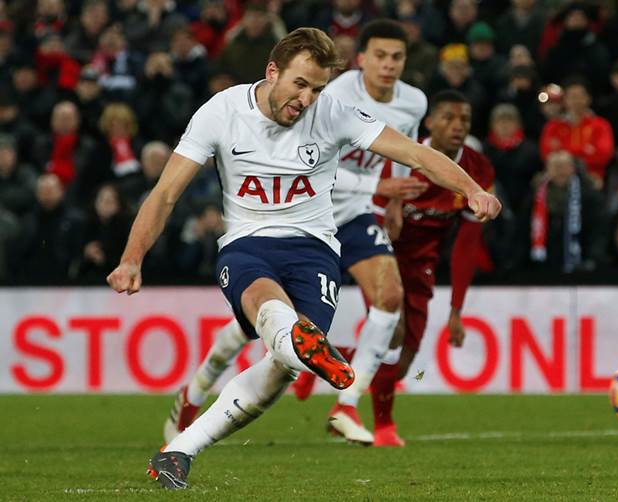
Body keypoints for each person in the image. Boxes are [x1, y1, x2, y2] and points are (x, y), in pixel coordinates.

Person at [106, 28, 500, 489]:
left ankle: (178, 452)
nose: (308, 98)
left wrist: (471, 188)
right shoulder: (222, 111)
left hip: (315, 250)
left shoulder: (334, 113)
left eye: (317, 88)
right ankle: (302, 345)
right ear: (273, 71)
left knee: (284, 367)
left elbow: (415, 153)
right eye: (300, 85)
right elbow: (166, 193)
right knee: (268, 306)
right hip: (248, 243)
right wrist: (133, 258)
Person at [161, 19, 429, 448]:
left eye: (397, 57)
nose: (389, 65)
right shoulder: (331, 95)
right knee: (248, 331)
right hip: (285, 223)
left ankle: (347, 402)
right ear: (361, 59)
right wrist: (379, 188)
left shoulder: (414, 101)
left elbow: (404, 153)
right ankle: (192, 396)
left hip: (350, 218)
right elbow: (308, 167)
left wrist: (393, 200)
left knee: (390, 297)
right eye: (380, 55)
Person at [369, 90, 495, 447]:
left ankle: (327, 357)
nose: (458, 126)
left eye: (465, 120)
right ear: (430, 122)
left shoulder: (478, 169)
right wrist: (389, 201)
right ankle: (384, 428)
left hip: (423, 263)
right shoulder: (401, 157)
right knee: (393, 331)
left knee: (405, 362)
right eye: (449, 118)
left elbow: (467, 245)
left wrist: (456, 310)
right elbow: (363, 203)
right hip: (382, 253)